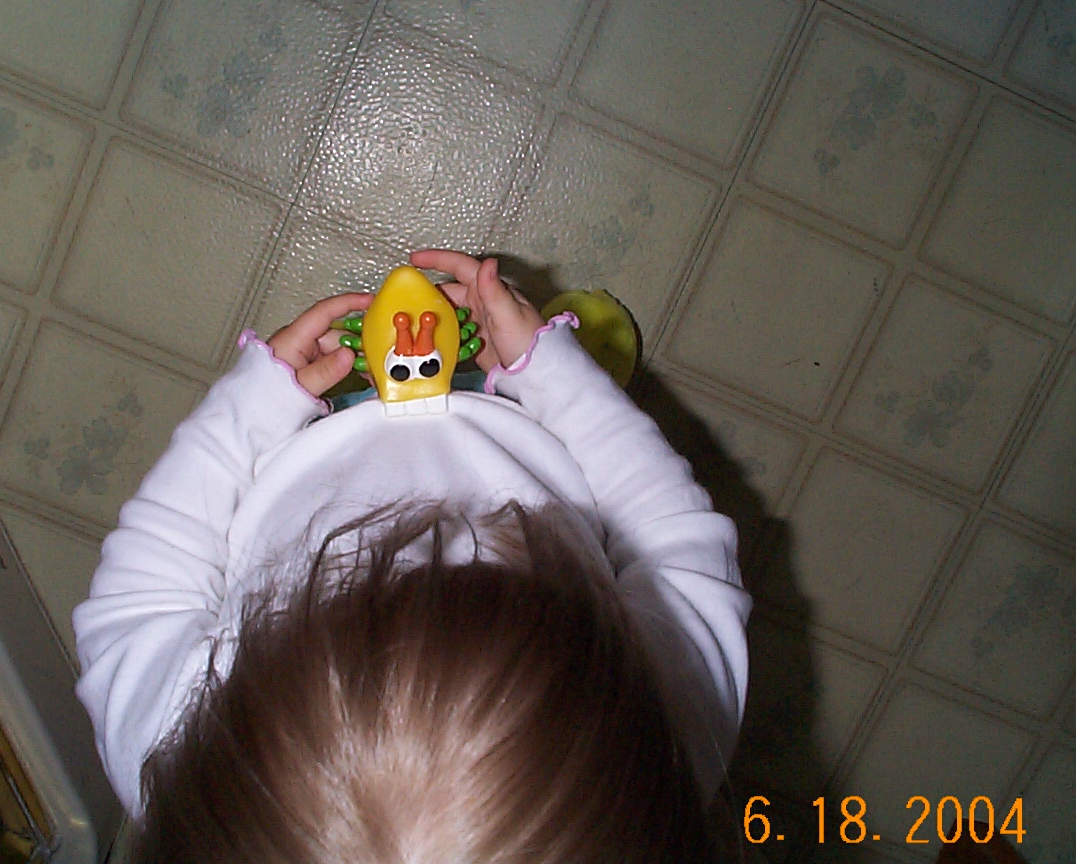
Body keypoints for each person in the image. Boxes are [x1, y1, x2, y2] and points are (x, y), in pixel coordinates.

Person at [73, 250, 751, 862]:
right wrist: (558, 377)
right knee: (605, 446)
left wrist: (253, 407)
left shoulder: (174, 758)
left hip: (305, 454)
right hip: (525, 444)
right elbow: (668, 536)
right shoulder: (666, 745)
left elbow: (149, 587)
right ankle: (539, 379)